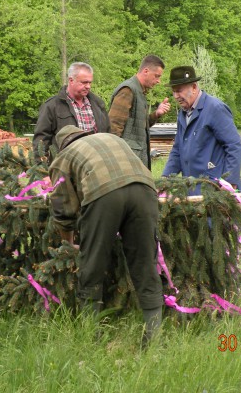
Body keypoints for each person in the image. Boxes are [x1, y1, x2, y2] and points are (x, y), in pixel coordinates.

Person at [49, 125, 163, 346]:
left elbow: (63, 209)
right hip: (146, 189)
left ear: (60, 146)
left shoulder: (64, 156)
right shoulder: (110, 138)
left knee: (92, 266)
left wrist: (68, 244)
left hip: (104, 194)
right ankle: (153, 339)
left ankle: (91, 338)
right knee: (145, 264)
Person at [162, 66, 241, 193]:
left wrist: (230, 182)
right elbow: (177, 150)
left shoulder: (215, 108)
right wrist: (165, 179)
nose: (176, 96)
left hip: (215, 190)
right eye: (174, 91)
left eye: (179, 91)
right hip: (192, 190)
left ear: (194, 87)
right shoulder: (182, 115)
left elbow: (234, 146)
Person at [33, 62, 110, 158]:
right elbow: (41, 141)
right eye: (84, 82)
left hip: (95, 164)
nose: (88, 86)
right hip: (65, 166)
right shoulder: (52, 106)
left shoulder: (98, 104)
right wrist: (42, 169)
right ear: (71, 80)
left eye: (90, 82)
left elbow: (107, 134)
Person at [108, 55, 171, 169]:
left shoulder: (139, 92)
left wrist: (156, 114)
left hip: (135, 160)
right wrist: (115, 161)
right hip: (126, 162)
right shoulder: (128, 90)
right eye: (156, 76)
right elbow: (114, 127)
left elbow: (139, 125)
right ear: (146, 71)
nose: (158, 81)